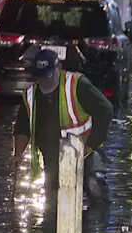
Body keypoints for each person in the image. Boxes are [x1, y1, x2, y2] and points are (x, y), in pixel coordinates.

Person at [10, 49, 113, 203]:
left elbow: (105, 110)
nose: (45, 82)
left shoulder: (76, 84)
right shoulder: (31, 95)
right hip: (52, 160)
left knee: (95, 194)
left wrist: (90, 145)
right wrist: (18, 154)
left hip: (85, 156)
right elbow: (22, 128)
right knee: (54, 202)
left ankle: (94, 216)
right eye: (41, 78)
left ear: (59, 68)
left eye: (48, 77)